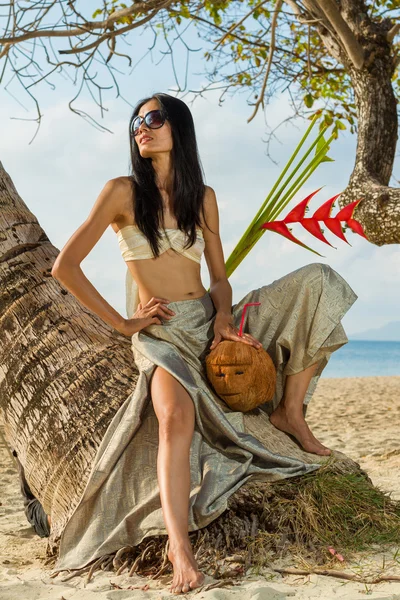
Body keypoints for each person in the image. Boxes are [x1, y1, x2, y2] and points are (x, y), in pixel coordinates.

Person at [49, 92, 358, 593]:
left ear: (179, 128)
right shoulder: (121, 192)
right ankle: (180, 547)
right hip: (163, 332)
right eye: (136, 122)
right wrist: (124, 324)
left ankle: (291, 413)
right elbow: (65, 266)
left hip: (210, 321)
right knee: (173, 419)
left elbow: (218, 277)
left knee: (318, 282)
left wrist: (221, 318)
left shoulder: (203, 196)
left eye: (152, 119)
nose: (140, 129)